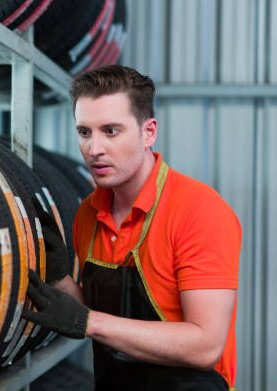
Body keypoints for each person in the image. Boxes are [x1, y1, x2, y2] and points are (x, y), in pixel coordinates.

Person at [23, 65, 241, 391]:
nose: (94, 149)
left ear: (148, 132)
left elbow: (205, 347)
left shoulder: (198, 210)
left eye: (111, 131)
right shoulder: (88, 213)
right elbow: (107, 315)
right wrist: (61, 280)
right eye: (85, 132)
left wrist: (88, 322)